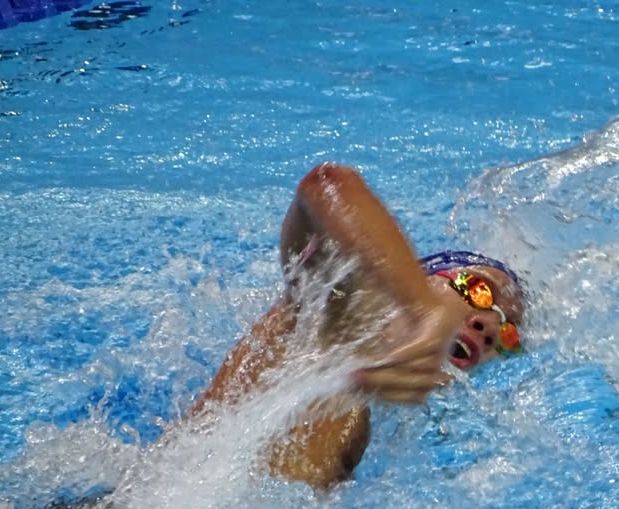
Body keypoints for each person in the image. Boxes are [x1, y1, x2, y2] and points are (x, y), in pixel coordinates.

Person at [189, 162, 525, 489]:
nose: (490, 326)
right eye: (478, 290)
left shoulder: (370, 408)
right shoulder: (327, 314)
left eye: (508, 333)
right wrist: (424, 310)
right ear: (425, 279)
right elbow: (325, 184)